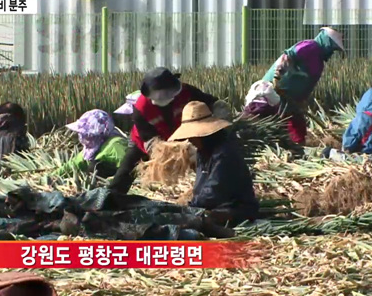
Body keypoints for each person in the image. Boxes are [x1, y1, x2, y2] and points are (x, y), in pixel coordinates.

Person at [108, 67, 227, 195]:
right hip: (148, 141)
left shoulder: (187, 92)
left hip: (184, 135)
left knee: (207, 160)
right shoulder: (140, 108)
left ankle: (213, 191)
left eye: (166, 92)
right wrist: (176, 150)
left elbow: (211, 102)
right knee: (126, 170)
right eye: (159, 94)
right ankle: (112, 198)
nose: (163, 96)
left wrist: (221, 113)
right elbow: (151, 143)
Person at [168, 101, 259, 226]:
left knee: (200, 221)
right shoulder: (203, 151)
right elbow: (201, 184)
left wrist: (193, 206)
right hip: (214, 205)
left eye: (193, 136)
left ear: (205, 135)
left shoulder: (224, 153)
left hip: (237, 208)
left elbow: (215, 189)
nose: (190, 140)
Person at [254, 27, 345, 144]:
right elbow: (287, 57)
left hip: (292, 99)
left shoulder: (318, 61)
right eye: (332, 48)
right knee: (273, 120)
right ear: (326, 42)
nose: (332, 52)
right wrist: (278, 74)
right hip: (277, 92)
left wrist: (302, 99)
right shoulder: (310, 47)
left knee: (296, 124)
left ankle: (297, 146)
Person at [54, 109, 127, 178]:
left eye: (87, 134)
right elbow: (72, 165)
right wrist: (53, 176)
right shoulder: (91, 150)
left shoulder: (115, 146)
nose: (83, 137)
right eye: (82, 134)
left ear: (99, 133)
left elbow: (130, 167)